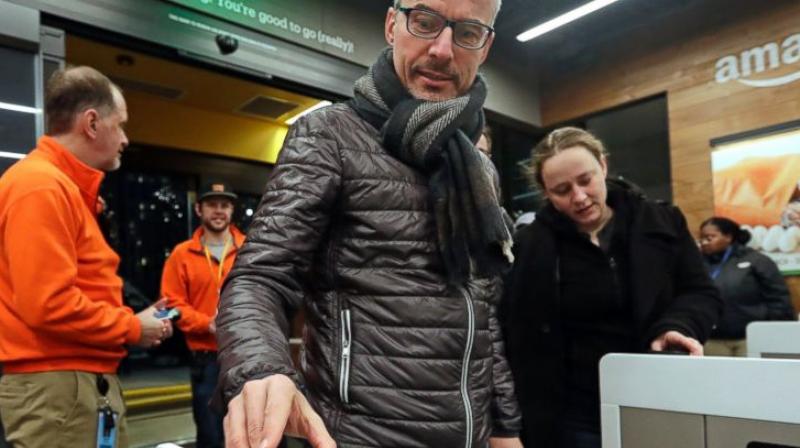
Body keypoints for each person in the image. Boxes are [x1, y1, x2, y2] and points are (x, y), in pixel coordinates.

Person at [215, 1, 523, 447]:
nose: (441, 49)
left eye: (468, 32)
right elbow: (259, 278)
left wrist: (504, 426)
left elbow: (482, 312)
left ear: (486, 46)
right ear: (391, 24)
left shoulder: (477, 169)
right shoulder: (330, 135)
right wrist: (261, 368)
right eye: (424, 22)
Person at [501, 127, 722, 448]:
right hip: (573, 407)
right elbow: (515, 327)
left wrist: (677, 326)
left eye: (585, 180)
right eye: (562, 190)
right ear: (546, 193)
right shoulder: (530, 245)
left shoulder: (661, 221)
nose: (579, 197)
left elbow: (700, 292)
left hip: (656, 390)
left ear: (603, 167)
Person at [0, 66, 172, 447]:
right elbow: (48, 304)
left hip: (73, 387)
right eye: (121, 124)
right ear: (91, 123)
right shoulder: (41, 186)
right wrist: (132, 327)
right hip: (60, 389)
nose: (125, 139)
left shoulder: (60, 188)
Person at [160, 182, 245, 448]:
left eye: (225, 205)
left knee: (249, 431)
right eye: (212, 204)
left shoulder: (249, 251)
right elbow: (169, 306)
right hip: (205, 361)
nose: (218, 211)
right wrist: (205, 324)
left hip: (245, 357)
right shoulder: (181, 254)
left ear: (232, 210)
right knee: (210, 436)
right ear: (199, 209)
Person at [699, 216, 795, 356]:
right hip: (712, 339)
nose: (704, 242)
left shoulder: (757, 260)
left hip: (750, 338)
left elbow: (778, 297)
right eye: (701, 238)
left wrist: (776, 332)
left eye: (710, 237)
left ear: (728, 237)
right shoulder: (697, 264)